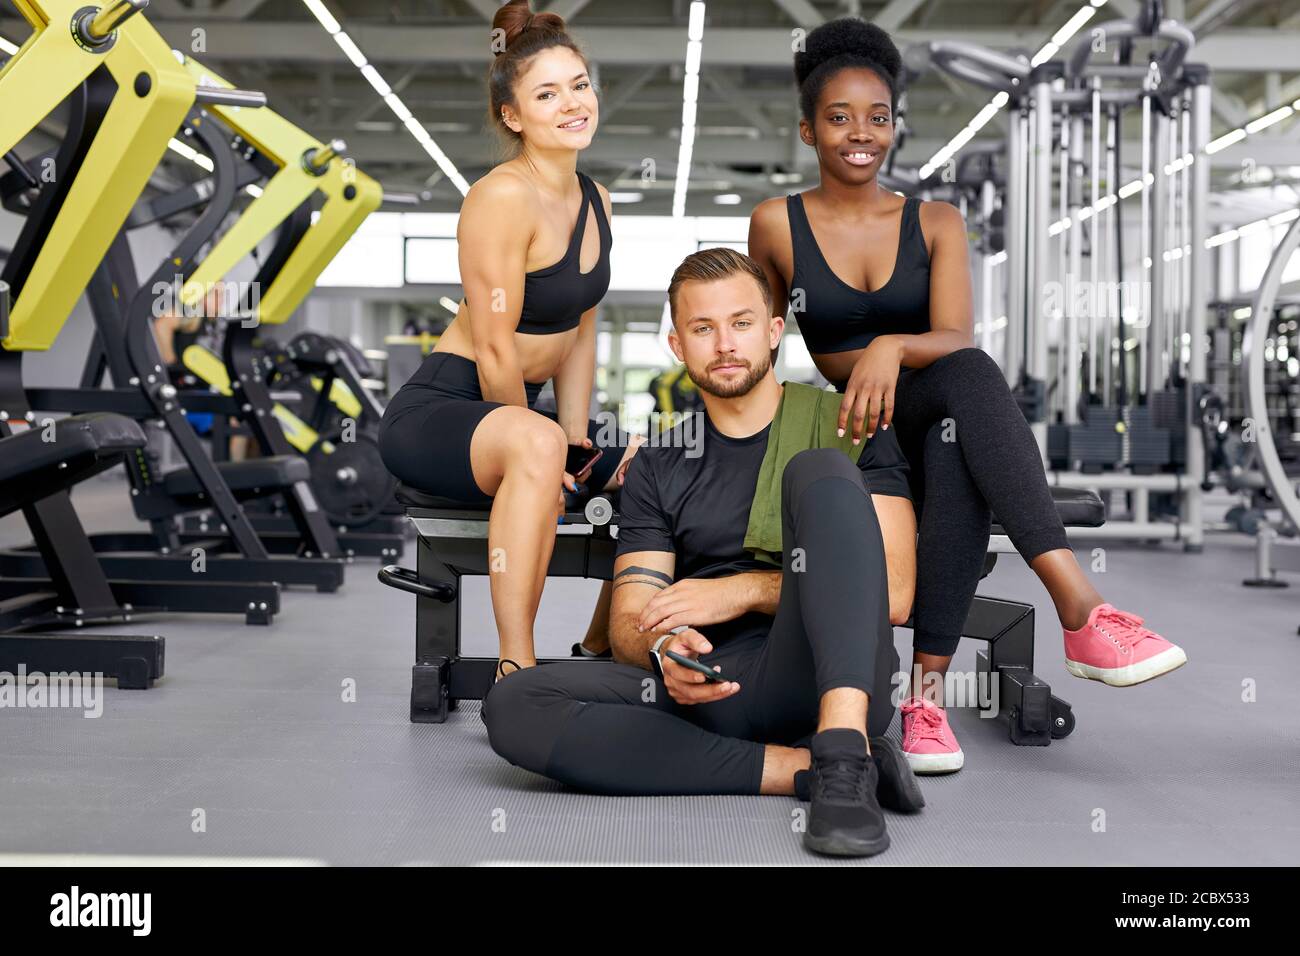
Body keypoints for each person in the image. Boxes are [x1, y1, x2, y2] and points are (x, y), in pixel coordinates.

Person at [746, 17, 1186, 775]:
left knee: (961, 412)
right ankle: (1073, 612)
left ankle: (931, 699)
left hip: (931, 403)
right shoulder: (775, 225)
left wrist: (890, 346)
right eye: (840, 118)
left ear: (896, 127)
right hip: (855, 424)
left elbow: (954, 336)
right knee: (959, 432)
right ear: (808, 129)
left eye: (878, 118)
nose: (862, 134)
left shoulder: (936, 221)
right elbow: (757, 337)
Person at [485, 248, 923, 858]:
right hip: (711, 685)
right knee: (514, 704)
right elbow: (633, 616)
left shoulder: (851, 426)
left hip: (827, 673)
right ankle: (802, 769)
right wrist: (664, 648)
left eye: (741, 324)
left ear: (773, 332)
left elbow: (895, 596)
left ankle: (845, 757)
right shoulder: (660, 465)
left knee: (819, 473)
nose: (724, 344)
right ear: (677, 345)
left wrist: (741, 588)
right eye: (702, 328)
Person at [379, 0, 640, 677]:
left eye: (579, 85)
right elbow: (496, 350)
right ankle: (515, 667)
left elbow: (581, 327)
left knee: (656, 462)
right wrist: (545, 445)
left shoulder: (597, 200)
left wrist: (578, 436)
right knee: (536, 439)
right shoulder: (499, 198)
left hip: (522, 411)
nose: (572, 103)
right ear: (514, 116)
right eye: (547, 93)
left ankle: (599, 645)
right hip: (446, 409)